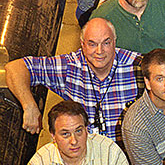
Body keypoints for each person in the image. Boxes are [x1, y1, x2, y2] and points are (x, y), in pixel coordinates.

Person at [5, 17, 140, 139]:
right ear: (82, 44)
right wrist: (29, 106)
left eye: (106, 43)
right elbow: (15, 68)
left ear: (115, 42)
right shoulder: (70, 66)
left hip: (126, 157)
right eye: (92, 44)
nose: (99, 51)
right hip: (85, 157)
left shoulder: (136, 65)